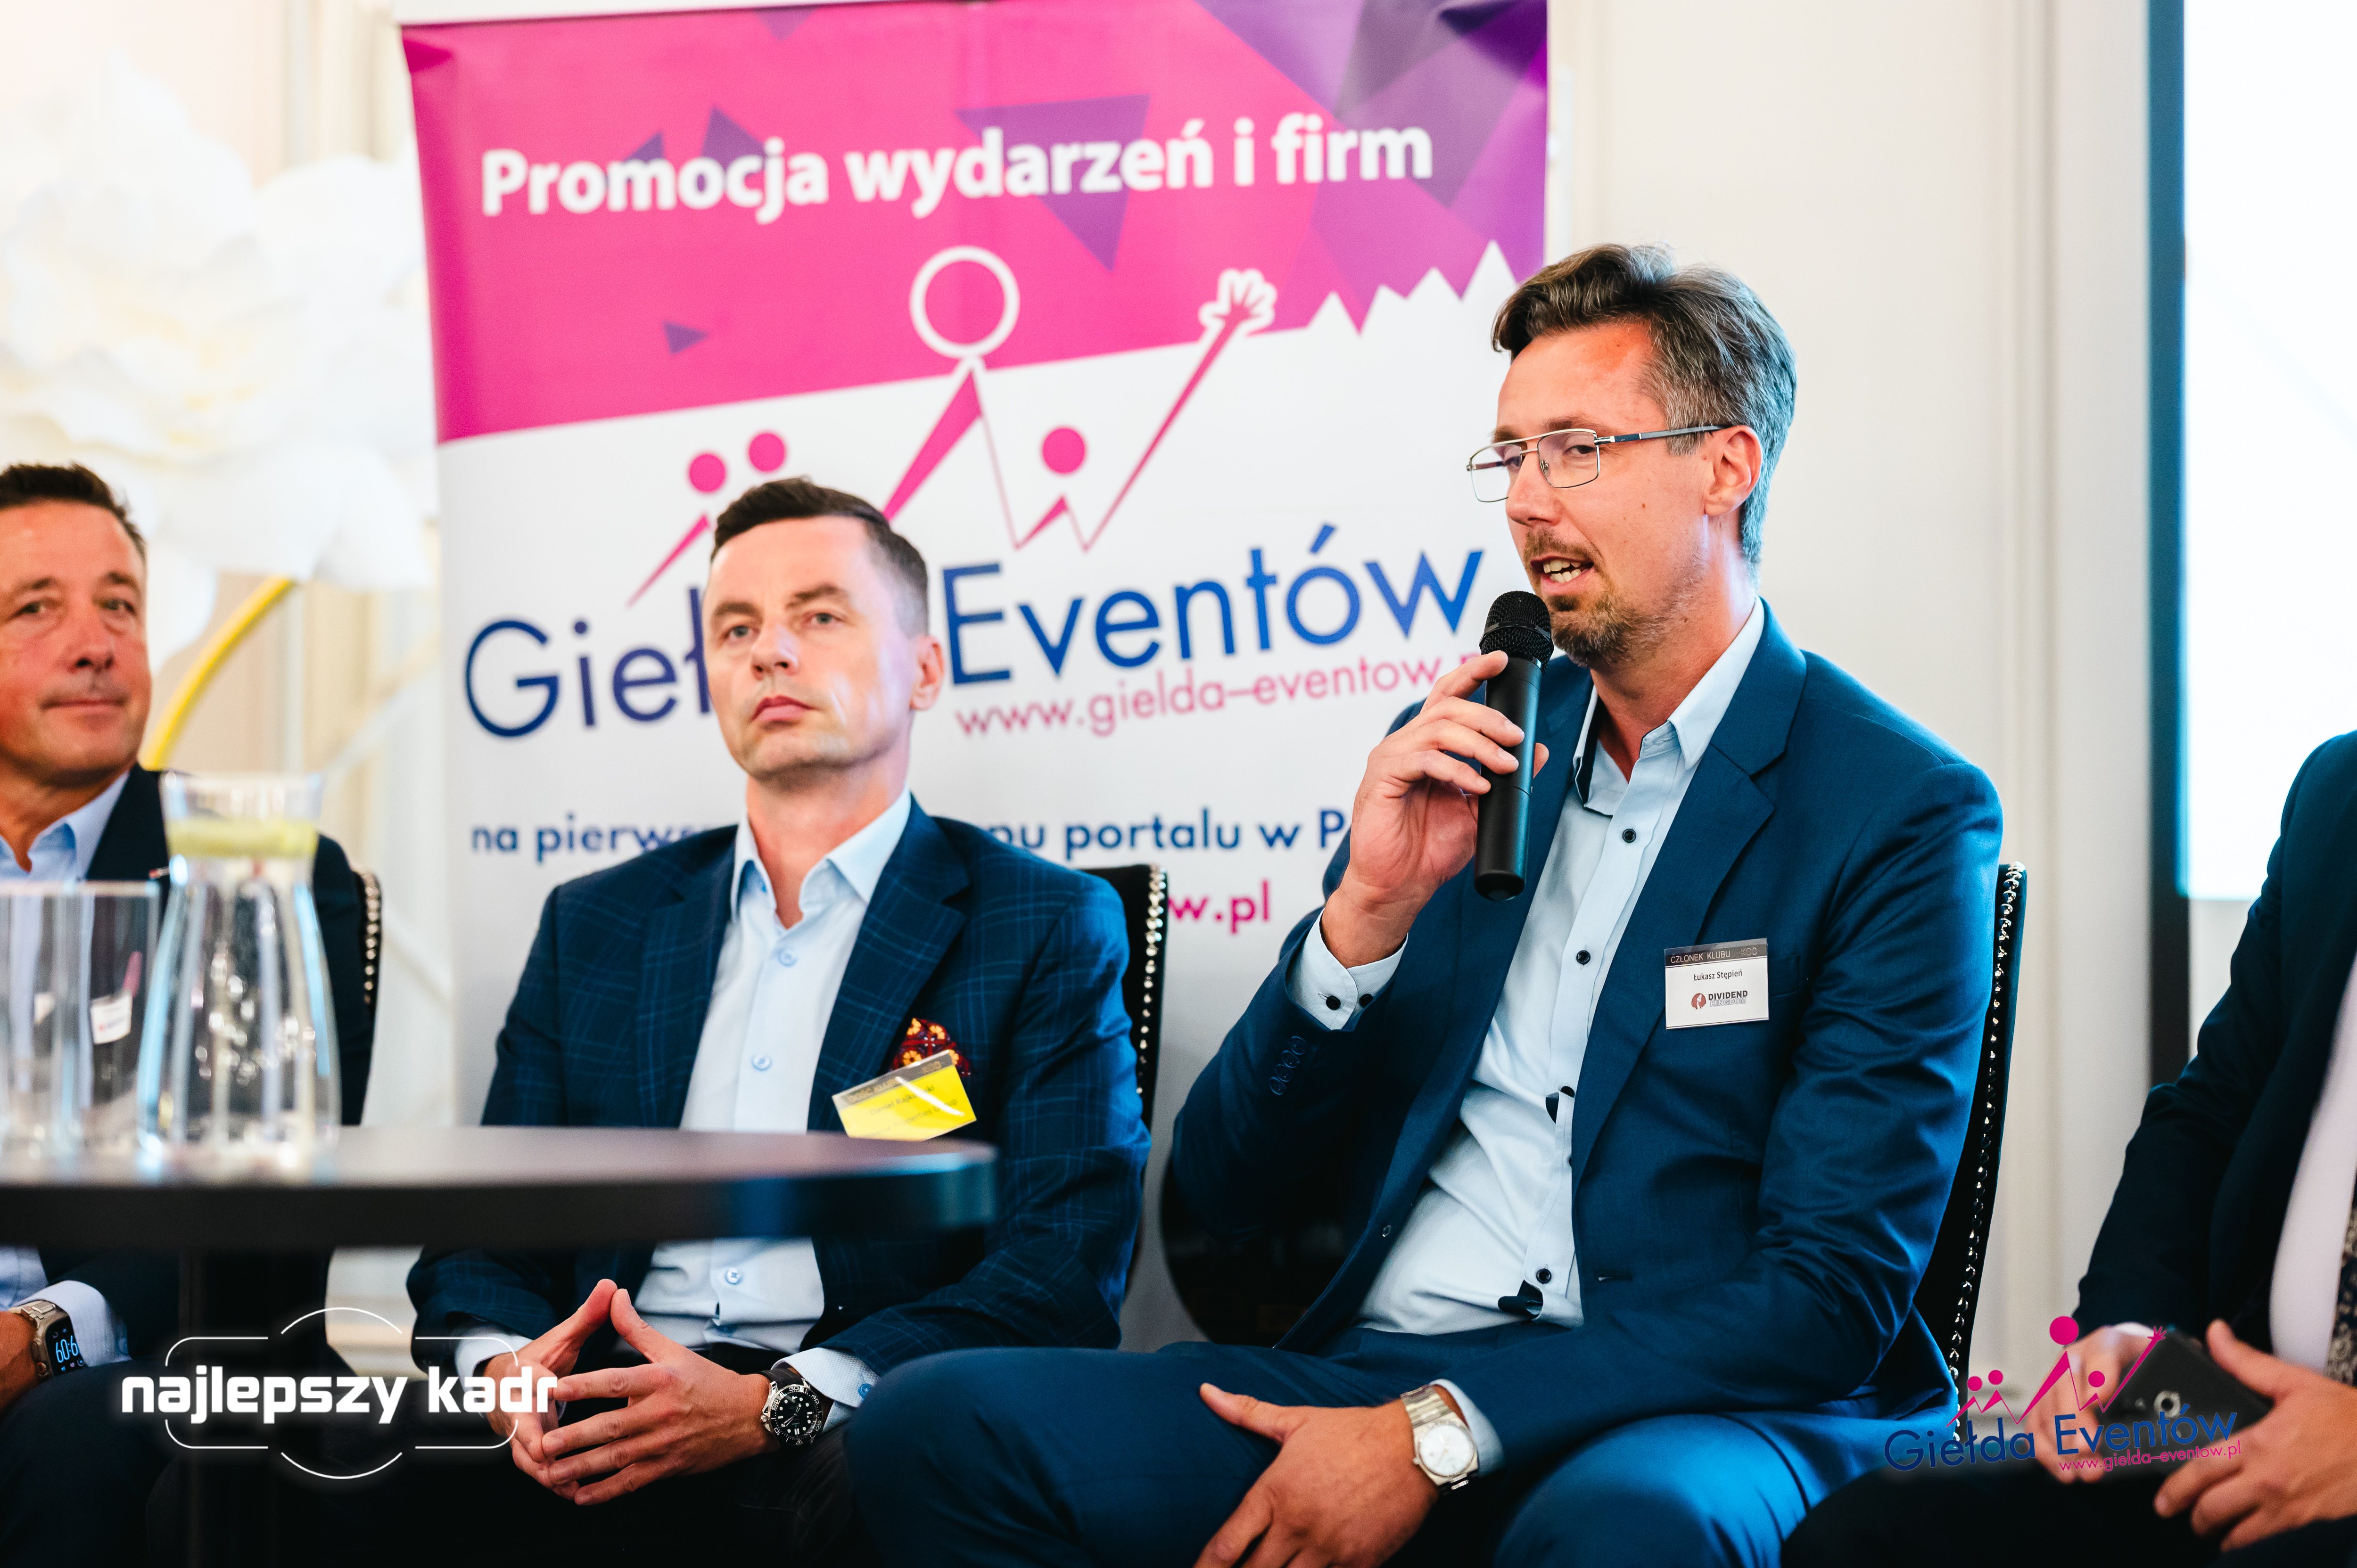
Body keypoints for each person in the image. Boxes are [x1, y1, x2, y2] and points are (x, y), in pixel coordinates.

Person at [847, 243, 2003, 1568]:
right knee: (934, 1426)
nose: (1529, 501)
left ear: (1725, 468)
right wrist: (1366, 917)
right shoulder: (1472, 751)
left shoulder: (1893, 807)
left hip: (1692, 1407)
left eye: (1577, 450)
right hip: (1380, 1363)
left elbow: (1827, 1292)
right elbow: (1221, 1203)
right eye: (1511, 456)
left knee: (1626, 1529)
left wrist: (1440, 1433)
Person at [380, 477, 1150, 1557]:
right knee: (257, 1454)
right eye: (736, 628)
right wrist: (509, 1370)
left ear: (925, 666)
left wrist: (775, 1402)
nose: (770, 652)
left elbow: (1062, 1268)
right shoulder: (594, 925)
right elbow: (482, 1233)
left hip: (844, 1417)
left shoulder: (1040, 921)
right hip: (584, 1399)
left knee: (892, 1485)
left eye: (819, 615)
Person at [1785, 735, 2357, 1567]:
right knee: (1869, 1537)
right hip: (2242, 1421)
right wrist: (2134, 1325)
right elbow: (2211, 1111)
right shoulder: (2339, 792)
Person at [0, 460, 377, 1567]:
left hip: (160, 1357)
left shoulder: (254, 870)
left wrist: (42, 1333)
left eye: (120, 604)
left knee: (79, 1431)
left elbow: (257, 1206)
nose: (96, 642)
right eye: (36, 607)